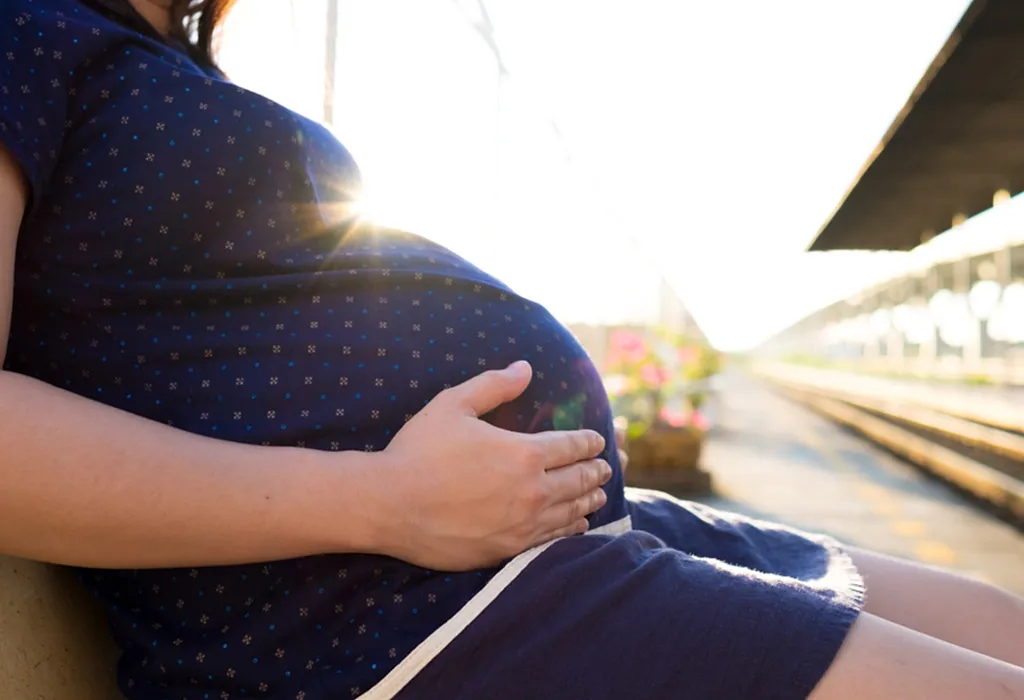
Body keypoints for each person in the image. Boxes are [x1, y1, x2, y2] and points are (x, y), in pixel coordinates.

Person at [0, 1, 1021, 698]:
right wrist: (383, 498)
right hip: (392, 610)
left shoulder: (165, 62)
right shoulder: (27, 31)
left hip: (541, 537)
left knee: (994, 619)